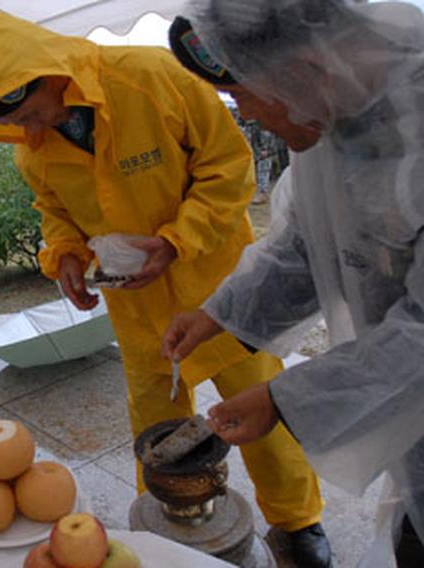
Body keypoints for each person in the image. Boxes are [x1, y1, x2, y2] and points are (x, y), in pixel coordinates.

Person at [0, 9, 330, 566]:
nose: (29, 132)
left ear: (45, 73)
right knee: (154, 422)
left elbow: (229, 167)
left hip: (220, 293)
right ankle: (160, 521)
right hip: (137, 307)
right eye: (19, 124)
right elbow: (54, 211)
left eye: (30, 113)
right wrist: (66, 255)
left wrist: (174, 241)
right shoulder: (38, 146)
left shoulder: (150, 77)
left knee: (259, 411)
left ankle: (298, 523)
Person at [163, 2, 424, 565]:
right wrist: (218, 312)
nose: (248, 114)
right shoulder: (340, 120)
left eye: (247, 94)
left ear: (307, 69)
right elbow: (309, 240)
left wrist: (286, 398)